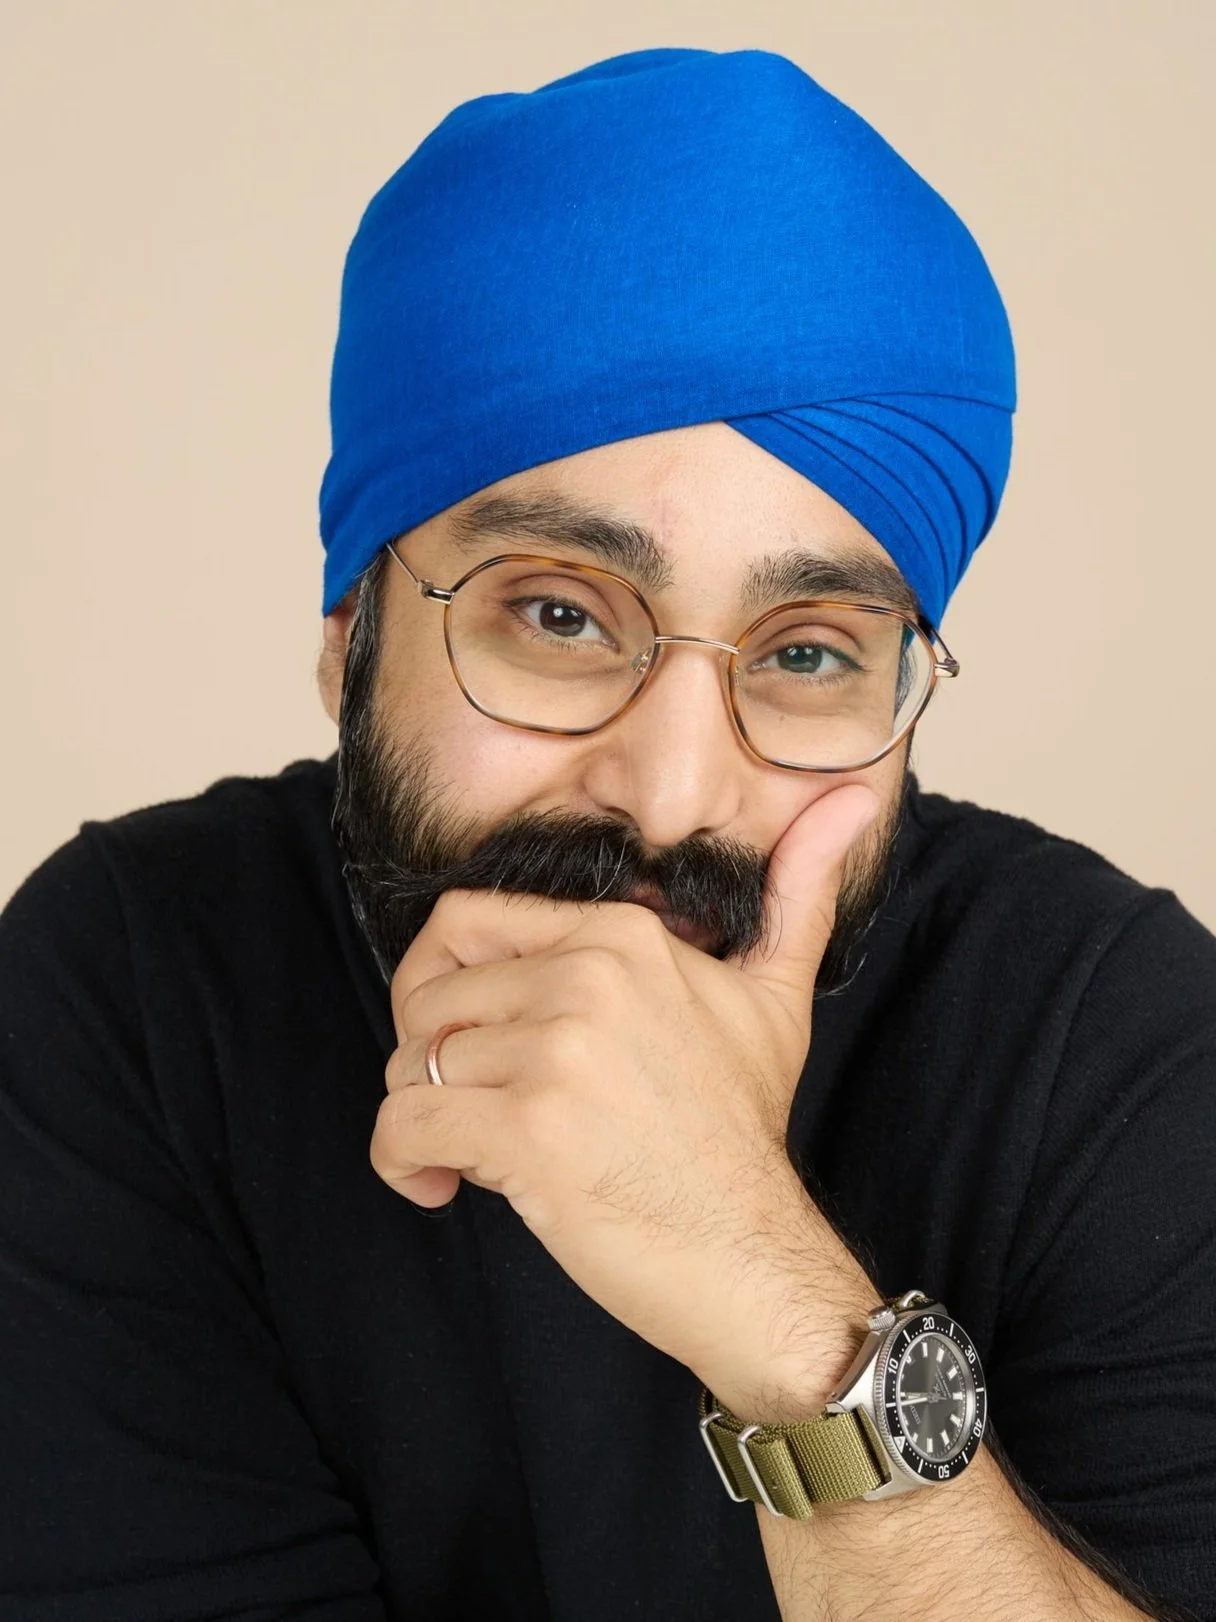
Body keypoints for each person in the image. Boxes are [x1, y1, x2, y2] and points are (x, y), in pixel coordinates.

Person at [1, 45, 1212, 1622]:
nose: (672, 792)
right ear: (351, 631)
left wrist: (782, 1319)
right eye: (560, 615)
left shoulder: (1117, 1042)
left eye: (806, 653)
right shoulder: (130, 992)